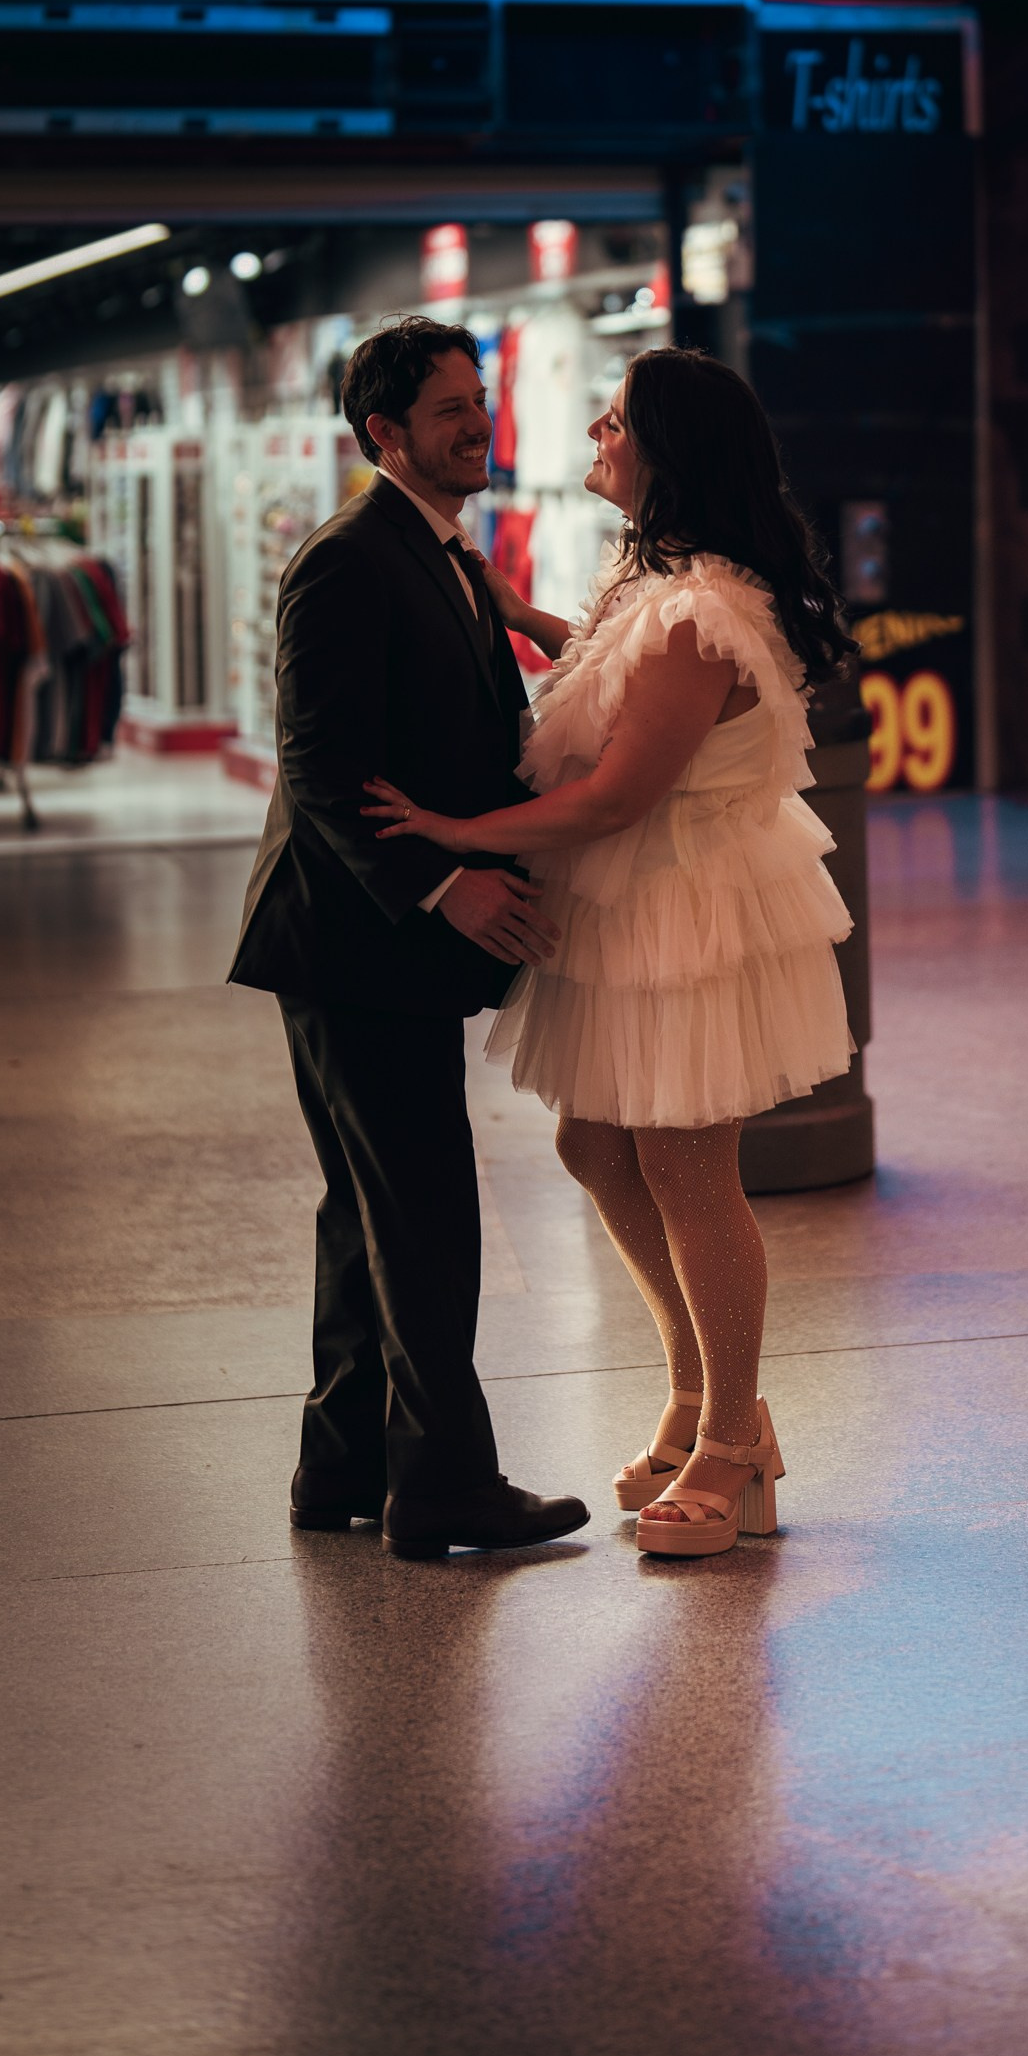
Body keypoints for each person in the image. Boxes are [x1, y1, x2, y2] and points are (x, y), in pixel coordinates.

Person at [368, 347, 855, 1560]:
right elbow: (609, 682)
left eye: (618, 420)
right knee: (596, 1141)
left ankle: (730, 1441)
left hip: (679, 907)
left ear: (669, 453)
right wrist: (524, 616)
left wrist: (451, 835)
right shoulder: (664, 585)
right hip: (641, 908)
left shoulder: (698, 615)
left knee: (690, 1169)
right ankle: (703, 1396)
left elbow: (613, 798)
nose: (594, 427)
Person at [229, 317, 589, 1562]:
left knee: (367, 1210)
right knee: (423, 1210)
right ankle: (443, 1486)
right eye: (448, 409)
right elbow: (320, 769)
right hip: (352, 945)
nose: (474, 423)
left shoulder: (433, 552)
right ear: (384, 433)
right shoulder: (347, 560)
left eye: (476, 400)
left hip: (356, 949)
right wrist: (449, 888)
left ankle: (339, 1467)